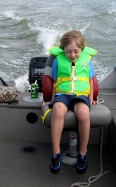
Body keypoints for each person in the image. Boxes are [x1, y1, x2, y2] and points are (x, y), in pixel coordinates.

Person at [48, 30, 97, 174]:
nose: (72, 55)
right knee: (57, 108)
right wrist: (51, 99)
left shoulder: (87, 61)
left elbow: (90, 81)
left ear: (81, 49)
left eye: (76, 51)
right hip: (62, 94)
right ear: (63, 50)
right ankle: (56, 153)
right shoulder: (58, 61)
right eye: (68, 52)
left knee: (83, 113)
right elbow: (55, 81)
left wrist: (91, 98)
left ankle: (83, 153)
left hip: (80, 95)